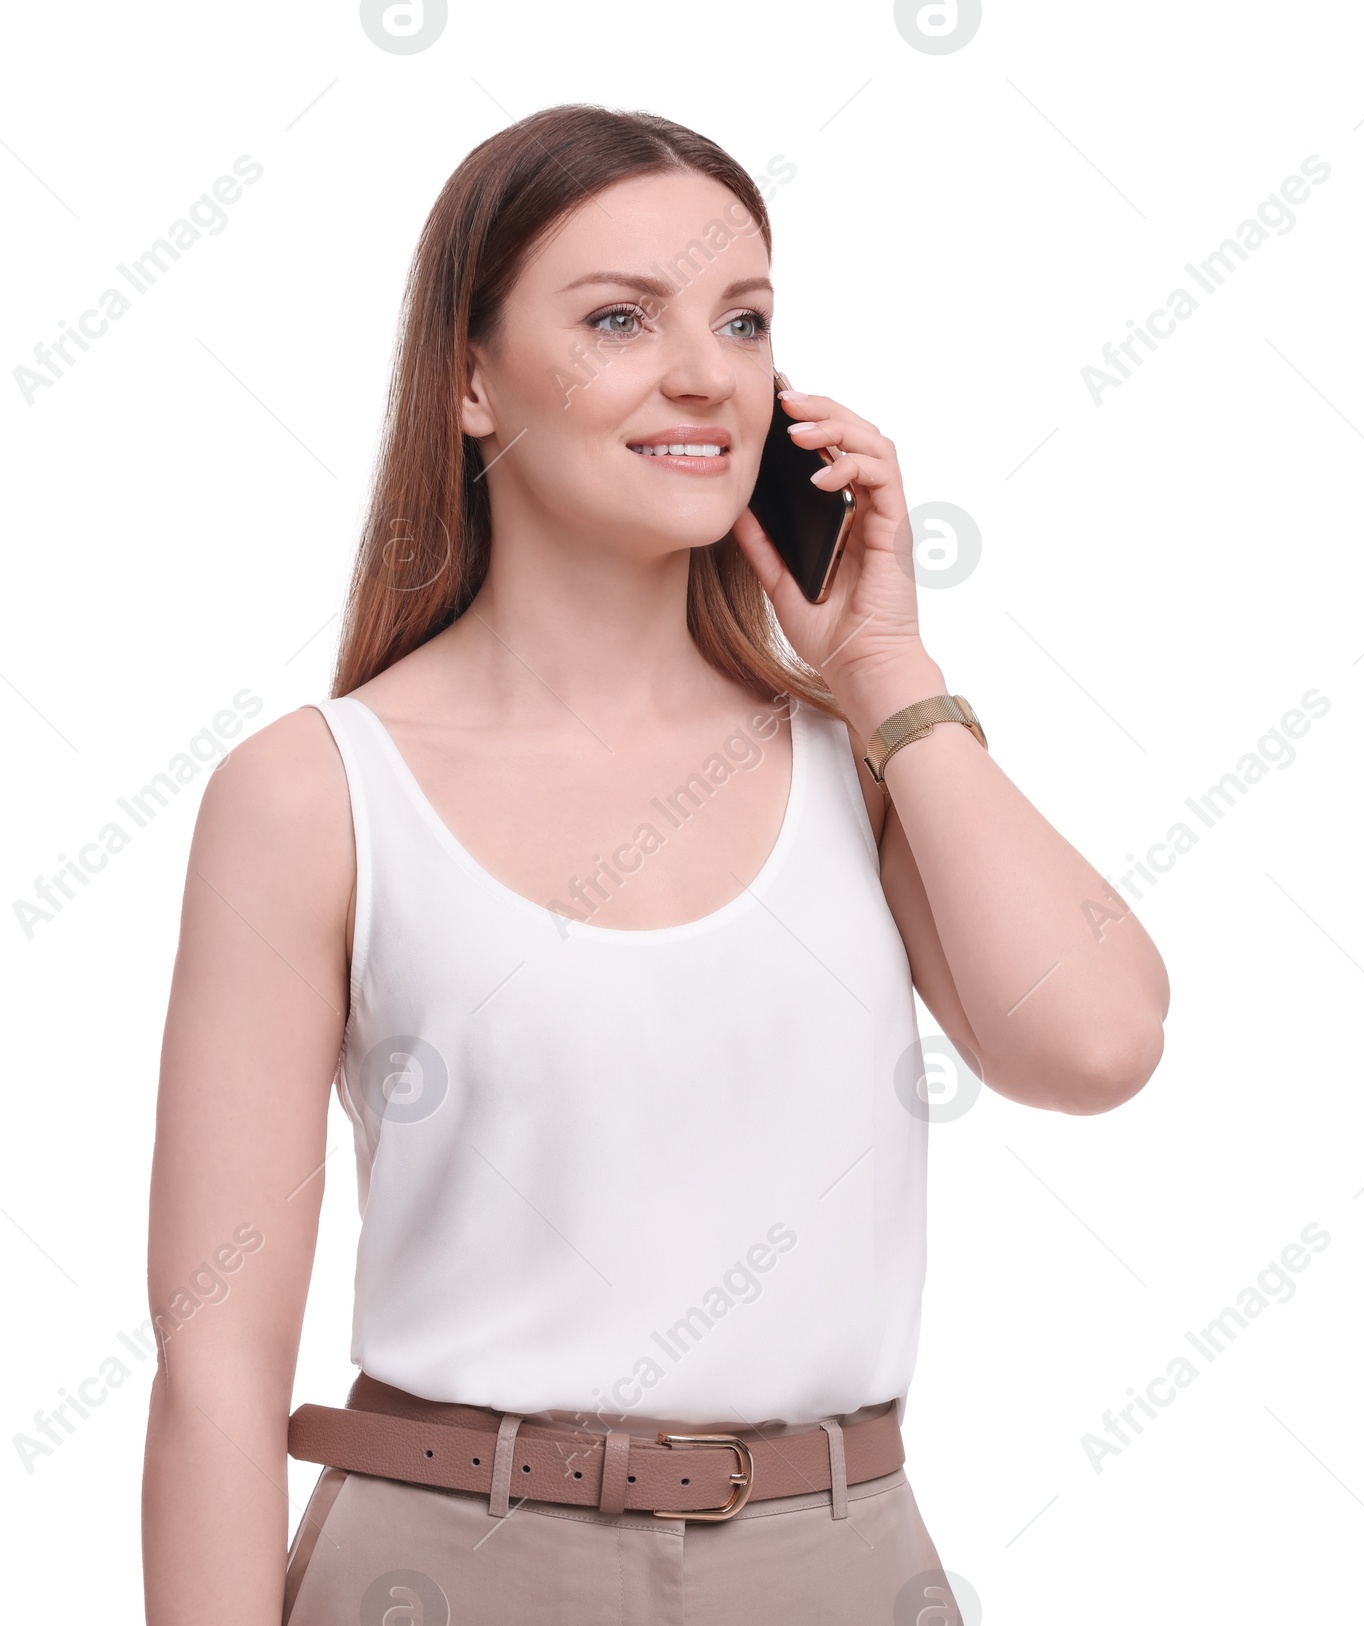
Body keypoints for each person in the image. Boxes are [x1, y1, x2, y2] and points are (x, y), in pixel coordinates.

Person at [140, 102, 1169, 1626]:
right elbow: (219, 1374)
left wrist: (886, 668)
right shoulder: (312, 791)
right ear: (473, 381)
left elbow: (1097, 1043)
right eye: (621, 317)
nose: (706, 371)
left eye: (744, 319)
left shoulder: (863, 767)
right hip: (446, 1565)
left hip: (842, 1561)